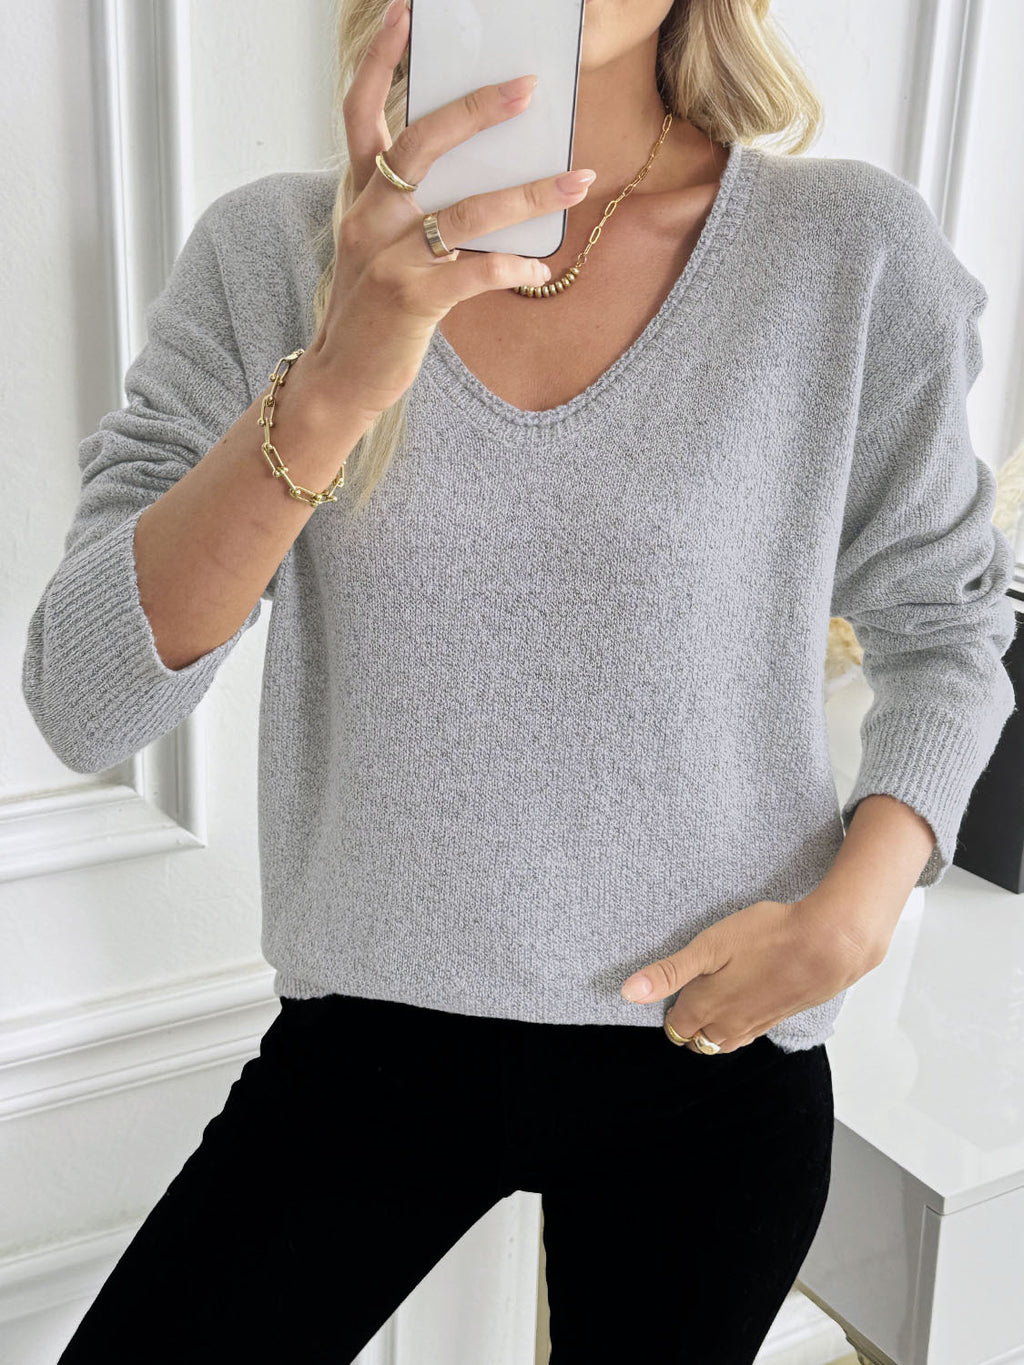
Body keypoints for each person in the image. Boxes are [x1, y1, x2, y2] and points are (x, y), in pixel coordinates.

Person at [23, 0, 1016, 1361]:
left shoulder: (844, 250)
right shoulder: (274, 253)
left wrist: (854, 913)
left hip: (711, 1046)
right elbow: (86, 698)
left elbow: (948, 627)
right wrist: (333, 383)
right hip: (369, 1038)